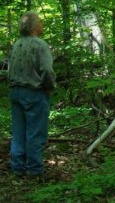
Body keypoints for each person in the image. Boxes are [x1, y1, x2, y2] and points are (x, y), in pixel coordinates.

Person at [8, 11, 56, 177]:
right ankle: (35, 171)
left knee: (19, 132)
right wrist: (49, 86)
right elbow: (47, 70)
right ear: (35, 26)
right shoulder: (39, 45)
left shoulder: (17, 44)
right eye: (40, 22)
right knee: (35, 133)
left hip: (16, 92)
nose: (42, 25)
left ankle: (17, 168)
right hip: (34, 93)